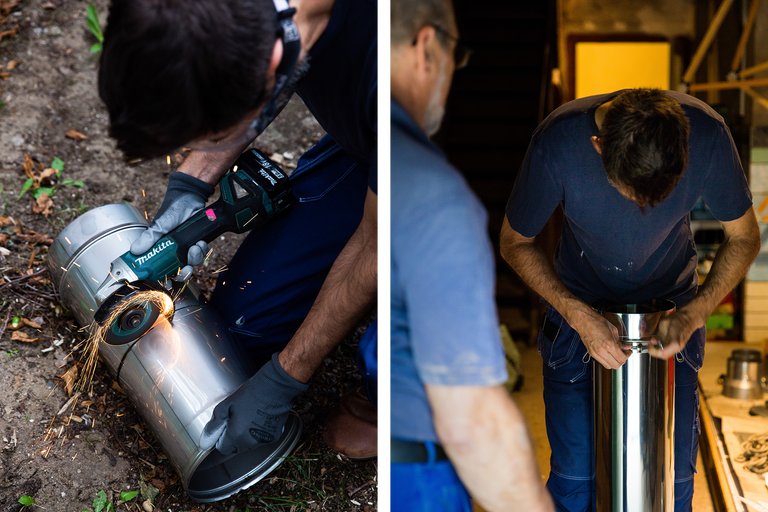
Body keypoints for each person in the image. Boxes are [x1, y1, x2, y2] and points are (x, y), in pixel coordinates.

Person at [97, 0, 379, 459]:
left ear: (270, 61)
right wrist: (189, 186)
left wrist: (285, 379)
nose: (207, 148)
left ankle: (388, 391)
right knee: (242, 333)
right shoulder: (255, 23)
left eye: (212, 135)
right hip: (365, 145)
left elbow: (375, 245)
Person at [500, 88, 760, 511]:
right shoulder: (558, 143)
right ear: (598, 147)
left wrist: (696, 312)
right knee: (576, 480)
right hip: (579, 310)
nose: (645, 211)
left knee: (671, 482)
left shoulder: (708, 134)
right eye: (631, 194)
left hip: (671, 311)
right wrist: (578, 316)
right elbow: (515, 243)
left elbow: (745, 236)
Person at [389, 1, 554, 511]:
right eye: (457, 58)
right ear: (427, 47)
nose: (456, 76)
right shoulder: (437, 197)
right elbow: (473, 421)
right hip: (417, 477)